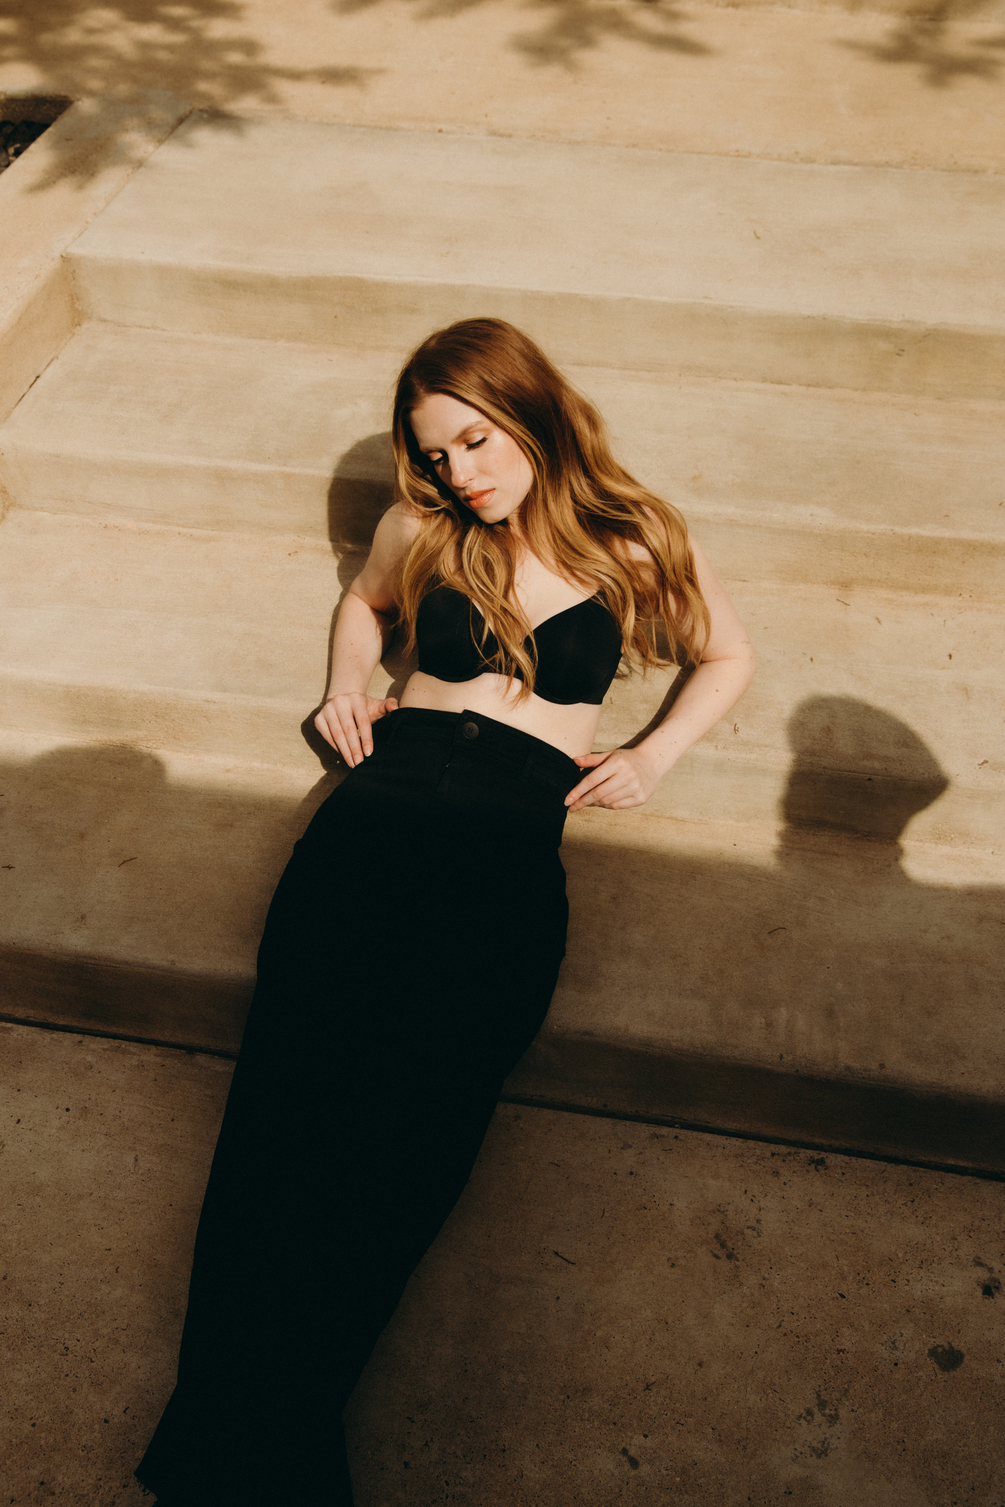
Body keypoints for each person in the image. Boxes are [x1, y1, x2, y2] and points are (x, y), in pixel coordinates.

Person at [135, 317, 755, 1506]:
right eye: (435, 454)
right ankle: (237, 1464)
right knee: (276, 1145)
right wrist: (344, 684)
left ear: (531, 413)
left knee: (402, 1168)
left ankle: (258, 1449)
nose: (458, 472)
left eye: (475, 440)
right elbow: (365, 604)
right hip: (370, 838)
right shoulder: (421, 531)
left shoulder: (633, 539)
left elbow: (725, 654)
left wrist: (656, 752)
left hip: (500, 870)